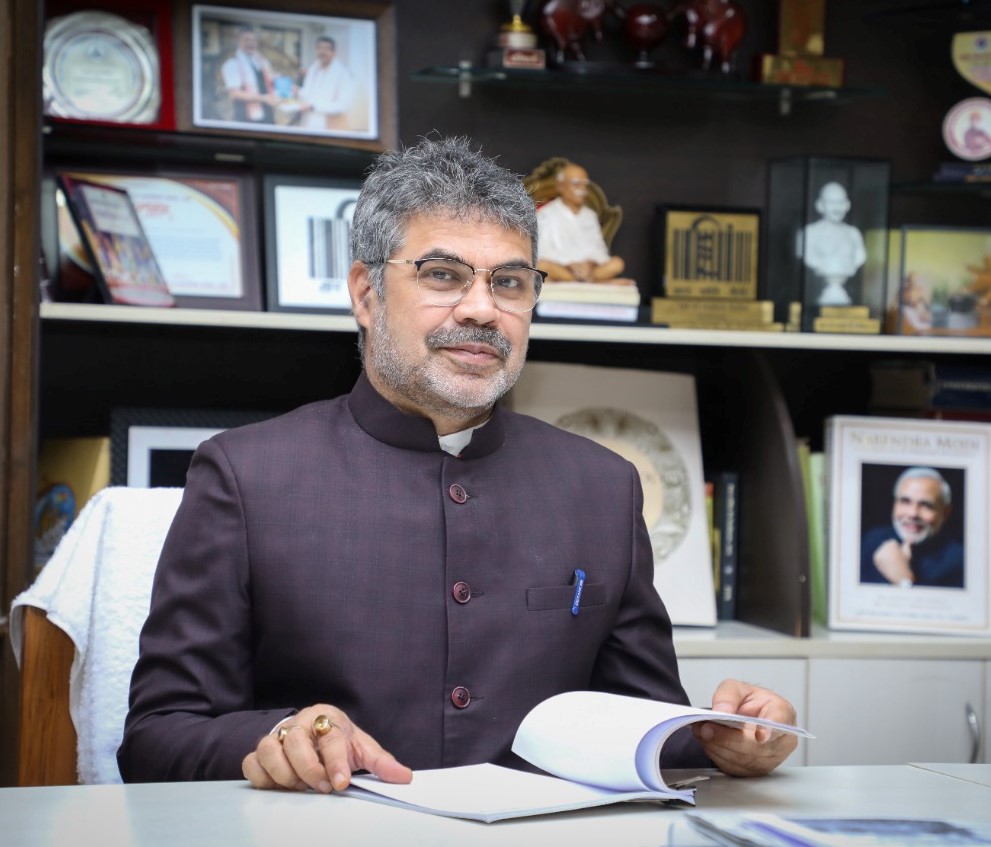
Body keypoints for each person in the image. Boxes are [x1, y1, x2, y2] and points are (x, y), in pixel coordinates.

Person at [118, 136, 798, 791]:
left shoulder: (602, 487)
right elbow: (156, 737)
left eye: (510, 282)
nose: (481, 309)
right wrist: (278, 738)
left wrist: (725, 737)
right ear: (365, 293)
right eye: (442, 275)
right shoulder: (245, 476)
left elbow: (640, 726)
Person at [861, 467, 964, 588]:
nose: (913, 514)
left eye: (926, 505)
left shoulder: (960, 561)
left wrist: (904, 581)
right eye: (905, 501)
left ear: (945, 513)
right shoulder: (871, 540)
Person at [535, 161, 629, 283]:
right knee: (542, 266)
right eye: (576, 184)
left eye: (584, 184)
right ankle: (595, 282)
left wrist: (589, 264)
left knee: (617, 263)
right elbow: (542, 250)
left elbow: (599, 249)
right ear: (560, 186)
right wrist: (570, 264)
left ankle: (579, 281)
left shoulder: (590, 215)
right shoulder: (546, 213)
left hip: (589, 270)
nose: (581, 189)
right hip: (562, 268)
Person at [799, 181, 866, 306]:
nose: (836, 208)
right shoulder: (809, 233)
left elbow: (860, 257)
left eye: (840, 202)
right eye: (831, 203)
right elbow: (808, 257)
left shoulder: (854, 234)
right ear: (820, 205)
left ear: (847, 205)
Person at [296, 36, 355, 131]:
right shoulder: (313, 69)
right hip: (307, 123)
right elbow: (308, 94)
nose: (322, 52)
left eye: (326, 49)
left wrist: (313, 107)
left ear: (334, 52)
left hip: (329, 126)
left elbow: (344, 106)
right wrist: (297, 91)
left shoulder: (344, 74)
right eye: (319, 48)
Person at [220, 29, 277, 124]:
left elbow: (270, 81)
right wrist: (263, 98)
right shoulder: (232, 64)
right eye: (246, 39)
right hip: (246, 117)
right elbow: (234, 94)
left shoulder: (261, 62)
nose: (250, 43)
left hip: (267, 114)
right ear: (238, 41)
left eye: (253, 40)